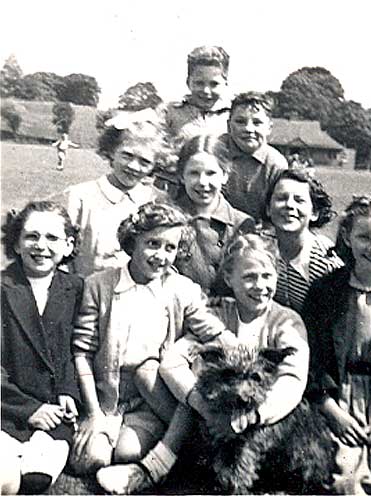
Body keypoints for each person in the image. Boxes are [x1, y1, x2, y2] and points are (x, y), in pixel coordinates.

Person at [70, 202, 228, 492]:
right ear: (133, 240)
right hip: (107, 398)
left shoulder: (181, 289)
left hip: (153, 398)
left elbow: (210, 328)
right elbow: (82, 352)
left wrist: (235, 342)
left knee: (126, 452)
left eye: (170, 247)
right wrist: (94, 414)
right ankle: (117, 439)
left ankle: (174, 451)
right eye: (153, 244)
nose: (161, 255)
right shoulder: (99, 285)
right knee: (91, 460)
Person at [302, 194, 371, 494]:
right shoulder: (325, 292)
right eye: (364, 237)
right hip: (332, 400)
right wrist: (330, 409)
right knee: (340, 474)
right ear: (348, 238)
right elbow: (311, 358)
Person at [160, 233, 309, 441]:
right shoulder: (216, 314)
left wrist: (254, 416)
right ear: (229, 279)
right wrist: (203, 407)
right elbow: (172, 363)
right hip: (212, 413)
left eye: (267, 276)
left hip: (265, 419)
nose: (260, 286)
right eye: (249, 277)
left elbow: (292, 379)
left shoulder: (286, 321)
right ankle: (160, 461)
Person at [1, 201, 83, 494]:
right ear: (17, 242)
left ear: (68, 244)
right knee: (5, 481)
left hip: (53, 414)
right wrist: (29, 409)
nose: (41, 246)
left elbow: (73, 352)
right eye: (31, 236)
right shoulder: (3, 287)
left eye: (52, 238)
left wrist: (68, 391)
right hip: (7, 407)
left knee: (37, 479)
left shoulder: (75, 288)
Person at [63, 109, 168, 277]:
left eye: (144, 162)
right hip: (85, 293)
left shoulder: (157, 201)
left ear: (155, 165)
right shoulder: (80, 196)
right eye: (127, 155)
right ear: (112, 151)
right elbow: (62, 256)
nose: (133, 166)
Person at [173, 133, 254, 295]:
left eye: (211, 173)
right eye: (194, 173)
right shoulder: (171, 218)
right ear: (182, 176)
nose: (203, 182)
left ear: (225, 175)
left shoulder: (242, 224)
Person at [264, 168, 343, 313]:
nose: (289, 205)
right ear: (268, 208)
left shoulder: (327, 263)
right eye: (281, 198)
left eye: (299, 200)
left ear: (314, 213)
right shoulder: (260, 249)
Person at [221, 92, 288, 221]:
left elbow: (278, 211)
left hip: (259, 232)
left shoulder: (276, 164)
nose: (248, 129)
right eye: (240, 121)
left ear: (269, 127)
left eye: (257, 123)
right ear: (229, 125)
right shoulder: (215, 153)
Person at [161, 46, 231, 145]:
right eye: (199, 83)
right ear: (188, 82)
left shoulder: (233, 114)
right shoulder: (169, 112)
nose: (206, 90)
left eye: (214, 84)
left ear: (225, 83)